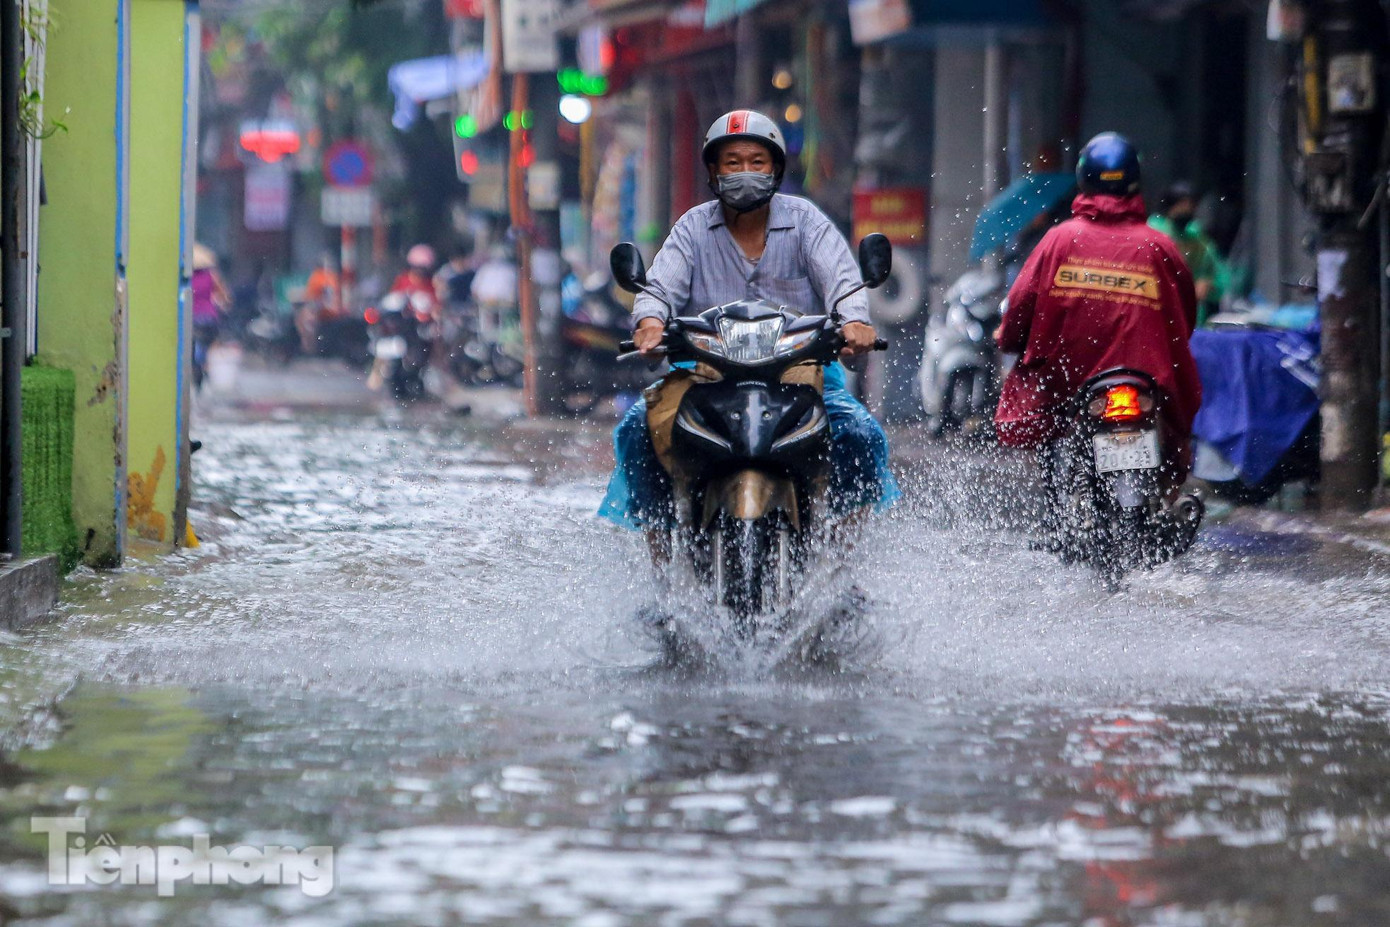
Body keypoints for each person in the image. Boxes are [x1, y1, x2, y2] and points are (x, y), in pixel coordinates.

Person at [598, 109, 900, 555]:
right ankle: (662, 565)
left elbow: (843, 281)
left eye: (756, 162)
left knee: (859, 434)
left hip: (801, 371)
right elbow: (659, 289)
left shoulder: (806, 222)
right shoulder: (692, 228)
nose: (745, 172)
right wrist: (649, 324)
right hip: (705, 373)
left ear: (775, 168)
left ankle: (840, 565)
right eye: (733, 162)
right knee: (636, 428)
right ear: (714, 171)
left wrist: (855, 321)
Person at [993, 132, 1202, 490]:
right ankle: (1165, 496)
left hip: (1075, 383)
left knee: (1047, 422)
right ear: (1135, 182)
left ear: (1083, 179)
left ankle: (1060, 509)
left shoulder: (1060, 240)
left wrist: (1008, 337)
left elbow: (1022, 303)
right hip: (1147, 381)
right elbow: (1185, 316)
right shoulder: (1158, 245)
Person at [1148, 181, 1226, 326]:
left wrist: (1208, 284)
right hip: (1160, 317)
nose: (1189, 209)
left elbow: (1218, 274)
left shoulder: (1196, 236)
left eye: (1192, 204)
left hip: (1193, 319)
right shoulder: (1154, 231)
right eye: (1184, 204)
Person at [191, 243, 230, 390]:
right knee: (206, 347)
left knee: (193, 349)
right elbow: (225, 296)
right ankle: (204, 367)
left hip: (193, 319)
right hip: (210, 318)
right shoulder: (212, 276)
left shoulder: (188, 278)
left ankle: (198, 371)